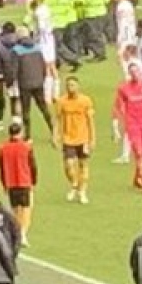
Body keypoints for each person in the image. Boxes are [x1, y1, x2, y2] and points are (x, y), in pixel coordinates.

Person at [116, 62, 142, 193]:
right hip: (132, 125)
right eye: (132, 72)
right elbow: (119, 107)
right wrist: (119, 124)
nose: (135, 74)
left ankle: (137, 178)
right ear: (129, 74)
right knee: (139, 153)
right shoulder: (123, 88)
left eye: (136, 71)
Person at [53, 76, 96, 204]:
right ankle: (75, 184)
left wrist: (92, 138)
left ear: (78, 86)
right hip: (68, 138)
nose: (70, 88)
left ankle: (82, 191)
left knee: (83, 165)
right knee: (69, 165)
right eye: (68, 85)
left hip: (83, 138)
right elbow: (57, 119)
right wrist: (55, 135)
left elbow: (90, 121)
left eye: (72, 85)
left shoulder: (85, 101)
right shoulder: (62, 101)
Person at [0, 124, 38, 247]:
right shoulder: (26, 147)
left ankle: (16, 233)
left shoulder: (3, 148)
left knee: (16, 210)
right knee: (26, 209)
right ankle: (22, 234)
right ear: (20, 133)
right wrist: (34, 181)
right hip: (24, 181)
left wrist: (4, 183)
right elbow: (32, 165)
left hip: (11, 183)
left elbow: (1, 168)